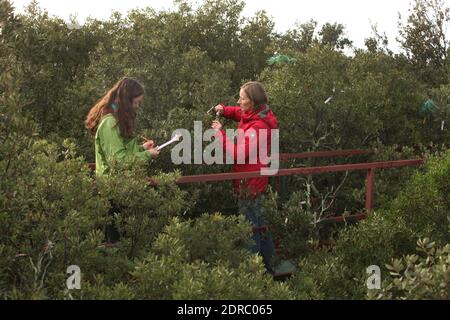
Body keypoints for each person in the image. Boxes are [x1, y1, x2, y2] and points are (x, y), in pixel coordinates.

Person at [211, 81, 278, 274]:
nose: (239, 102)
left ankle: (253, 277)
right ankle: (270, 269)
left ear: (253, 101)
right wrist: (224, 110)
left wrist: (219, 134)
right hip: (255, 182)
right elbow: (239, 113)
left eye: (242, 98)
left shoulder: (257, 126)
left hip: (250, 185)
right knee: (261, 228)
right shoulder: (257, 114)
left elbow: (238, 153)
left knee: (250, 233)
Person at [85, 77, 159, 242]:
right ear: (127, 101)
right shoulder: (109, 124)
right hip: (112, 192)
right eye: (136, 103)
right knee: (114, 241)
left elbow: (123, 152)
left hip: (123, 190)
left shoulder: (118, 121)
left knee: (126, 240)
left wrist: (142, 148)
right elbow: (119, 162)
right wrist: (147, 155)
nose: (137, 107)